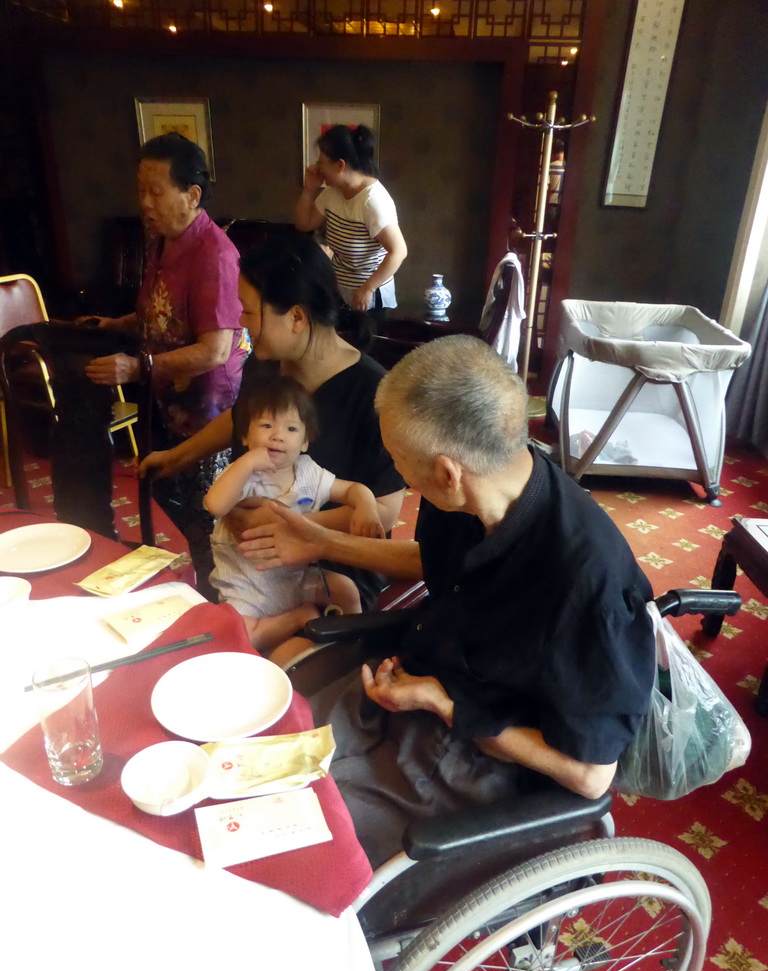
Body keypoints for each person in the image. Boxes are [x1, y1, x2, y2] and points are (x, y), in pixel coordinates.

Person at [239, 335, 657, 868]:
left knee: (289, 848)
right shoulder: (478, 491)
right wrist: (320, 541)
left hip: (474, 759)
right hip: (412, 682)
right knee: (253, 768)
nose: (395, 473)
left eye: (397, 461)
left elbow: (590, 774)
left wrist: (443, 703)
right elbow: (437, 562)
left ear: (445, 472)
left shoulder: (585, 585)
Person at [139, 232, 406, 626]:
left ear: (297, 317)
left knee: (274, 659)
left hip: (333, 567)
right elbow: (241, 420)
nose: (240, 321)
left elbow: (382, 514)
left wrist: (286, 525)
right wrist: (175, 458)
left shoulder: (373, 394)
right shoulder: (266, 363)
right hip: (251, 563)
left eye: (248, 311)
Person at [83, 132, 248, 592]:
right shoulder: (163, 241)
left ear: (192, 195)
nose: (145, 202)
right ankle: (201, 583)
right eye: (141, 190)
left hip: (208, 409)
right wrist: (116, 324)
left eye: (157, 191)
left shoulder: (214, 253)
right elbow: (160, 311)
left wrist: (135, 368)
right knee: (169, 495)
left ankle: (225, 600)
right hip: (170, 397)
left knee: (208, 513)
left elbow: (216, 349)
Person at [205, 374, 384, 656]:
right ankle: (301, 616)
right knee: (241, 638)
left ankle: (354, 644)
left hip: (296, 578)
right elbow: (215, 505)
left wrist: (366, 506)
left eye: (291, 428)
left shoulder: (309, 472)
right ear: (245, 435)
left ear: (304, 442)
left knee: (346, 588)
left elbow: (353, 489)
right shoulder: (243, 475)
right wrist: (248, 460)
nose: (277, 435)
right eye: (266, 425)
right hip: (248, 583)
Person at [295, 124, 407, 313]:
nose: (317, 167)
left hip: (369, 298)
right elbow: (304, 224)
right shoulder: (332, 193)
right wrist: (309, 190)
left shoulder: (373, 201)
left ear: (340, 165)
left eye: (322, 162)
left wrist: (368, 288)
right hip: (340, 290)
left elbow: (399, 251)